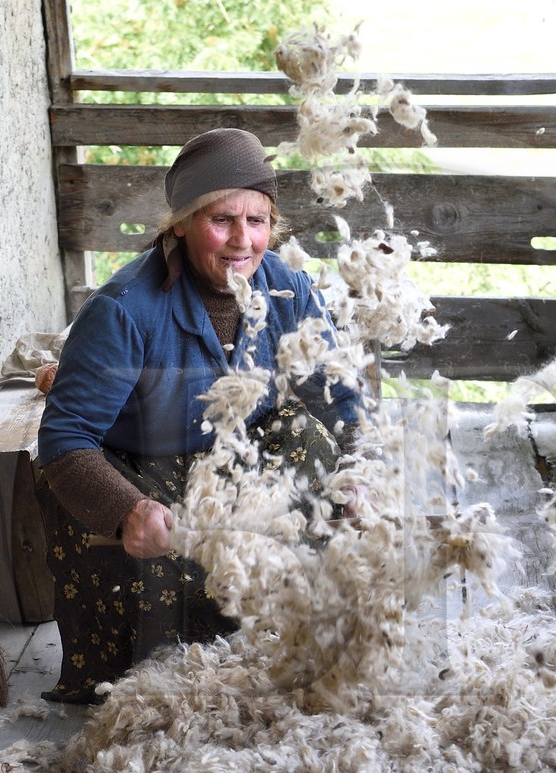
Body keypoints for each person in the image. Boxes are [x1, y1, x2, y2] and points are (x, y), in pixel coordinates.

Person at [34, 128, 363, 702]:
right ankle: (151, 666)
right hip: (141, 471)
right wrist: (126, 509)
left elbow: (339, 400)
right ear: (182, 222)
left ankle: (273, 627)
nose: (243, 241)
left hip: (233, 466)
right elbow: (65, 439)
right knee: (151, 661)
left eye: (257, 221)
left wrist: (363, 469)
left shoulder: (287, 292)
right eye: (221, 221)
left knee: (308, 437)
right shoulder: (124, 309)